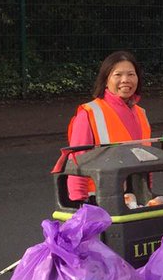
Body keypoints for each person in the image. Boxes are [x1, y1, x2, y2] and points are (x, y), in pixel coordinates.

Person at [65, 51, 152, 201]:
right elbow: (77, 163)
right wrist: (78, 204)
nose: (125, 80)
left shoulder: (141, 113)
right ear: (106, 80)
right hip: (98, 201)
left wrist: (148, 194)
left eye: (131, 74)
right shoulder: (89, 113)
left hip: (134, 201)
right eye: (118, 75)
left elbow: (147, 161)